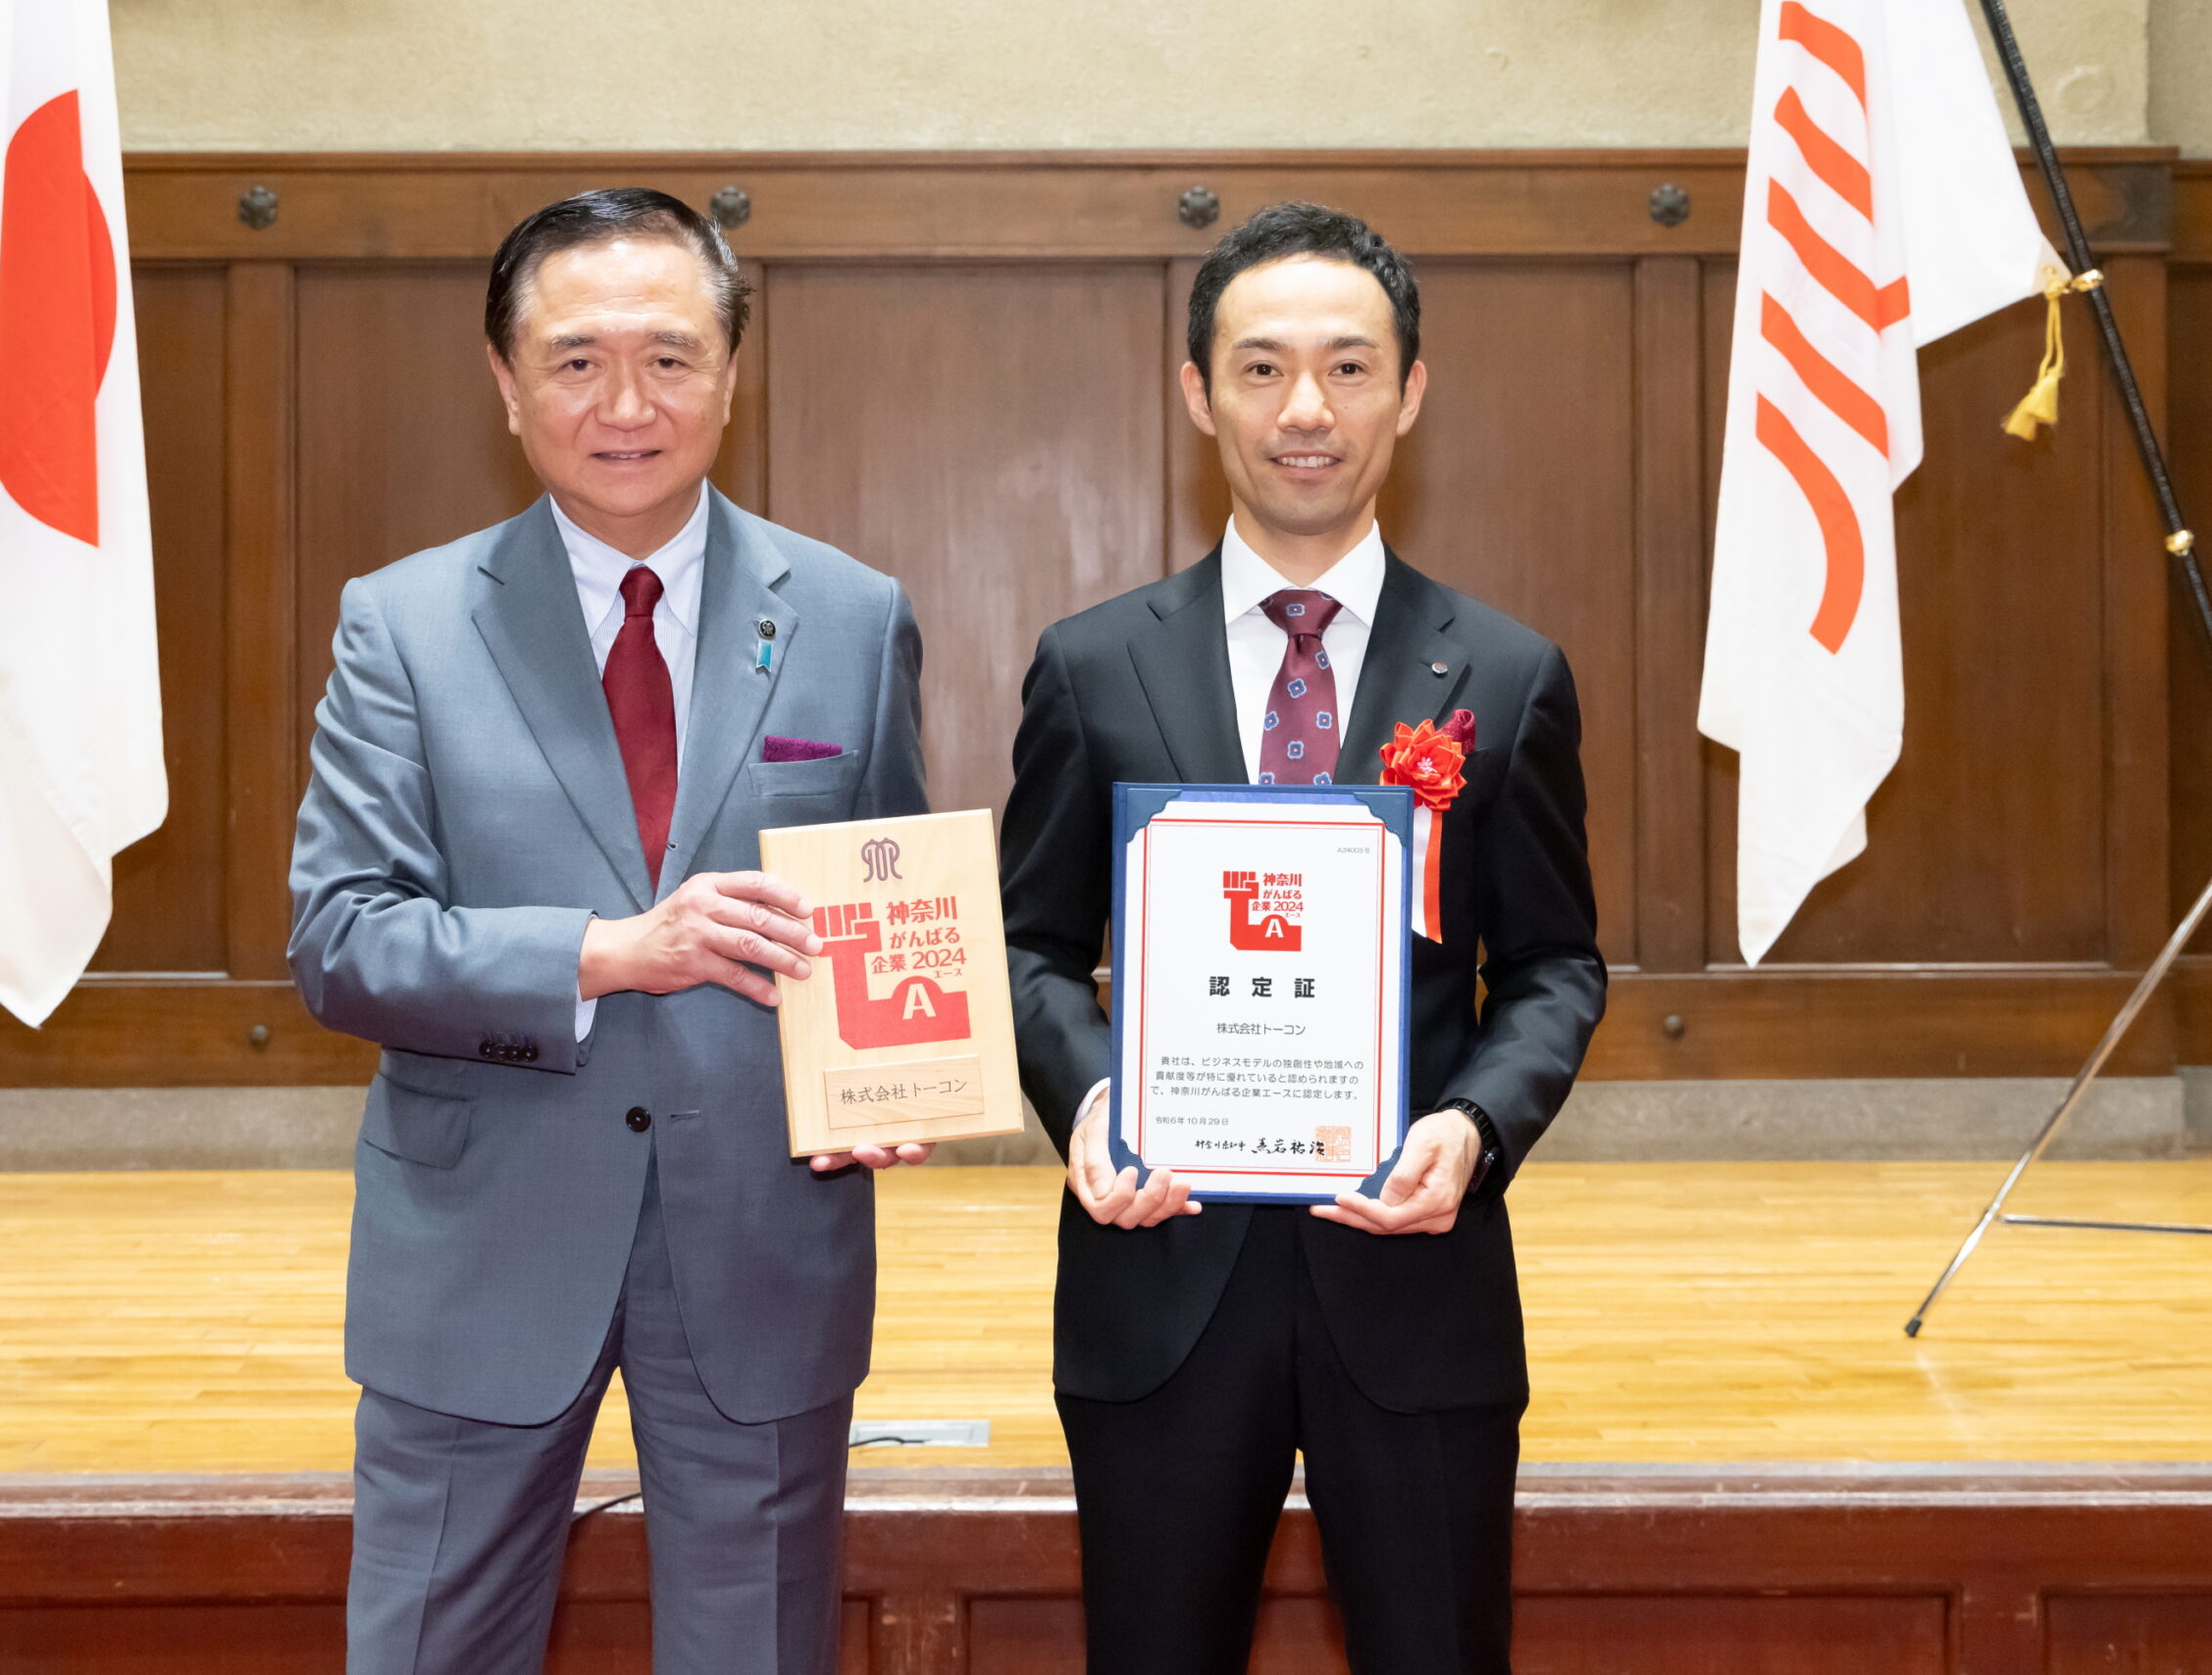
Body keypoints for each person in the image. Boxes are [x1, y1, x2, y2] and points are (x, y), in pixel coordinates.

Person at [288, 187, 930, 1675]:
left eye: (671, 357)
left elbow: (883, 895)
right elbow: (342, 938)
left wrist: (889, 1071)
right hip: (482, 1238)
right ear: (506, 383)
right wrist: (602, 951)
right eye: (577, 360)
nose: (627, 403)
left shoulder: (849, 613)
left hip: (766, 1240)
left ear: (731, 372)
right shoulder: (405, 624)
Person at [1000, 202, 1605, 1675]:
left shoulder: (1507, 674)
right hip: (1161, 1278)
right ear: (1199, 394)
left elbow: (1551, 967)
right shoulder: (1092, 666)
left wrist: (1475, 1124)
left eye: (1348, 366)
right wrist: (1089, 1101)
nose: (1306, 409)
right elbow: (1026, 948)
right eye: (1261, 369)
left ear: (1410, 391)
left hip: (1415, 1281)